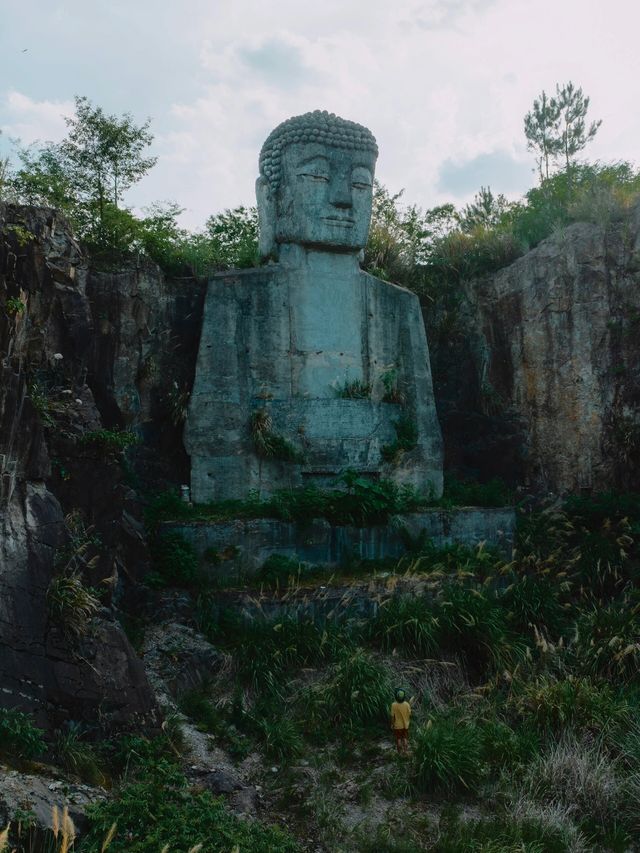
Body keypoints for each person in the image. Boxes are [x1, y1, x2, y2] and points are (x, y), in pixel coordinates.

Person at [390, 688, 412, 755]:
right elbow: (410, 714)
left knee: (398, 739)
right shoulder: (407, 704)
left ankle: (399, 753)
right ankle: (405, 751)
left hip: (397, 726)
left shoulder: (393, 705)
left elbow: (392, 716)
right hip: (406, 725)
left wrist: (392, 724)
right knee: (405, 738)